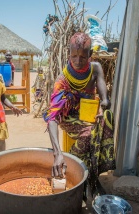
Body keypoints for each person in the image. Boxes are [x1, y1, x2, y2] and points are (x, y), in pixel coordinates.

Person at [43, 32, 116, 197]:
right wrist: (58, 153)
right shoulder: (63, 79)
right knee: (89, 134)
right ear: (69, 53)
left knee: (107, 118)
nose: (77, 60)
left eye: (82, 57)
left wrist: (104, 102)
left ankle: (91, 173)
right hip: (69, 116)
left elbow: (102, 88)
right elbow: (52, 118)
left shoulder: (95, 68)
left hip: (88, 112)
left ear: (90, 55)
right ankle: (72, 163)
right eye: (74, 56)